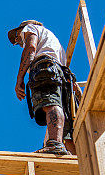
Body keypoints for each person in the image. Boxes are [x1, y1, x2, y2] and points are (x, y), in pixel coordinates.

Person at [8, 20, 79, 155]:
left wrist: (19, 79)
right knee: (66, 126)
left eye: (17, 35)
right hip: (59, 75)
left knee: (50, 103)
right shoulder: (53, 42)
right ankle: (77, 161)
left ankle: (55, 145)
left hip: (44, 68)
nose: (17, 40)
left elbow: (30, 49)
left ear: (22, 29)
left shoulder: (30, 28)